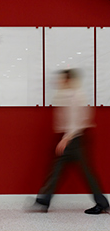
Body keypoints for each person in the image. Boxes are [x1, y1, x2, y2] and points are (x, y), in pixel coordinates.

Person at [33, 69, 109, 215]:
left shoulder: (75, 96)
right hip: (73, 138)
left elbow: (77, 120)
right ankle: (44, 199)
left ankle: (102, 203)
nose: (59, 82)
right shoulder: (69, 94)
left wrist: (67, 138)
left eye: (61, 79)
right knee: (59, 169)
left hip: (74, 139)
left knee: (79, 171)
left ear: (68, 80)